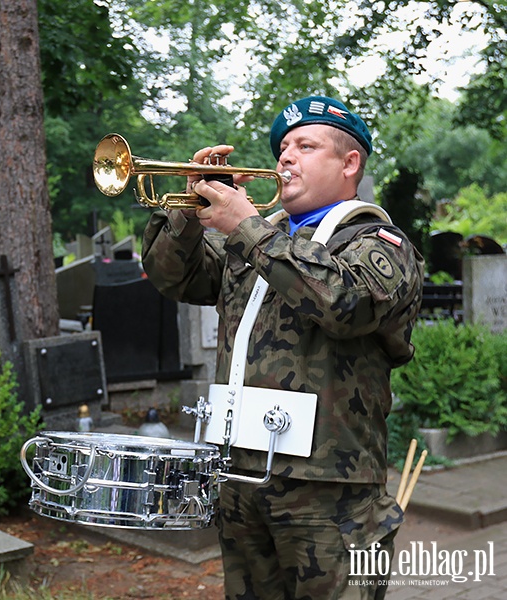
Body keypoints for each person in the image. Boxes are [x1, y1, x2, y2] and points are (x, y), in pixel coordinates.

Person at [140, 96, 425, 599]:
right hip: (241, 473)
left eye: (306, 146)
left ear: (349, 163)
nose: (285, 157)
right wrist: (188, 210)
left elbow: (345, 302)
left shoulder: (378, 241)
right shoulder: (258, 238)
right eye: (283, 148)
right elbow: (172, 278)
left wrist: (245, 227)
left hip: (329, 489)